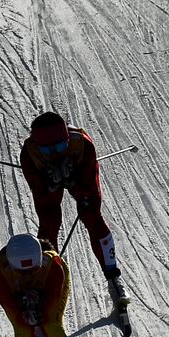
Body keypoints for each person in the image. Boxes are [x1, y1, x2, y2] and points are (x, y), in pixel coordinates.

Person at [19, 111, 130, 309]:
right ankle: (44, 280)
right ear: (38, 147)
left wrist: (75, 182)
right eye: (48, 150)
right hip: (47, 182)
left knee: (92, 217)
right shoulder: (29, 155)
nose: (55, 153)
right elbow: (39, 191)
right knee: (48, 224)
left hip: (80, 175)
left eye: (61, 146)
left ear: (68, 139)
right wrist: (49, 184)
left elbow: (90, 187)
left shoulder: (83, 145)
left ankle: (113, 277)